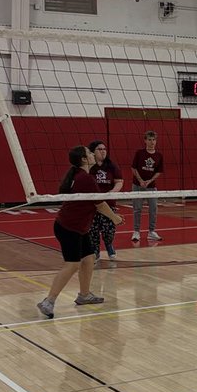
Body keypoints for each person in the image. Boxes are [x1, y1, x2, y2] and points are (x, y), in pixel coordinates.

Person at [37, 146, 123, 319]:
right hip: (69, 228)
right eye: (90, 153)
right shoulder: (85, 179)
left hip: (78, 227)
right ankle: (49, 301)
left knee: (89, 259)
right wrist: (115, 218)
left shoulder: (80, 176)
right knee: (73, 264)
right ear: (84, 159)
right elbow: (99, 204)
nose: (93, 154)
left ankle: (84, 295)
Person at [88, 139, 123, 261]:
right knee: (93, 230)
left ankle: (109, 245)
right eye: (99, 149)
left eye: (104, 149)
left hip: (108, 203)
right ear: (92, 152)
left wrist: (111, 193)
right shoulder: (89, 167)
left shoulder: (111, 166)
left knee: (108, 230)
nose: (103, 152)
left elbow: (119, 182)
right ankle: (95, 251)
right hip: (92, 204)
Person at [131, 130, 163, 242]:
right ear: (145, 140)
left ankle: (151, 231)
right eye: (149, 139)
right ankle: (136, 232)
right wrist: (140, 180)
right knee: (137, 209)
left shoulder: (159, 155)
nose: (152, 142)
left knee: (153, 208)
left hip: (151, 186)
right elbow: (133, 168)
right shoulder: (139, 153)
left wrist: (149, 181)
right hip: (137, 185)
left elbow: (159, 171)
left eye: (154, 140)